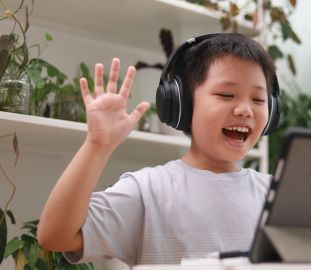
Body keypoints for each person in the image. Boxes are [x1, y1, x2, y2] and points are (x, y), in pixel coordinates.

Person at [37, 33, 279, 266]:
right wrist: (97, 145)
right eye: (227, 95)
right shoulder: (148, 190)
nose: (245, 110)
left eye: (258, 100)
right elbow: (55, 236)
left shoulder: (274, 195)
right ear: (182, 103)